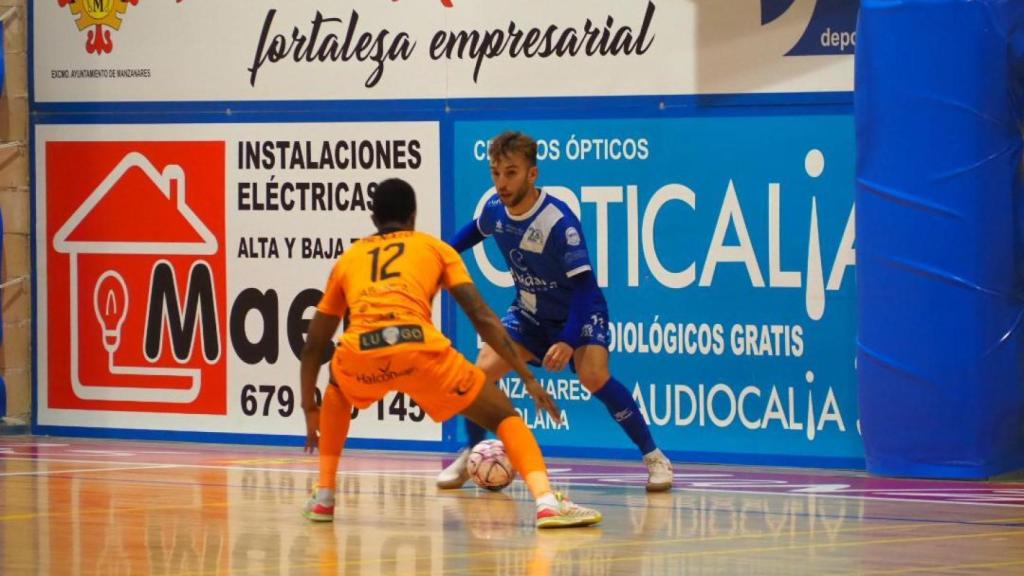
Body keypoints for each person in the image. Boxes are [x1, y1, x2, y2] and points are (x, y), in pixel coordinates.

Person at [299, 177, 602, 529]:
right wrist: (528, 378)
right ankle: (547, 502)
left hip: (362, 354)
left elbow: (314, 345)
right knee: (504, 415)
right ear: (413, 215)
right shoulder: (435, 249)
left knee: (337, 384)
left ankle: (324, 496)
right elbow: (482, 317)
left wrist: (310, 407)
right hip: (420, 351)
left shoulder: (349, 259)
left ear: (373, 218)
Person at [436, 131, 674, 492]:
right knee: (479, 374)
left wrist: (567, 340)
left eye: (511, 173)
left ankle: (654, 457)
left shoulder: (558, 223)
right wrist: (433, 260)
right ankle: (474, 453)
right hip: (530, 314)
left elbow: (583, 287)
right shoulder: (495, 211)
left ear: (532, 174)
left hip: (579, 312)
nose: (501, 182)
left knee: (594, 376)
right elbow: (464, 238)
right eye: (496, 173)